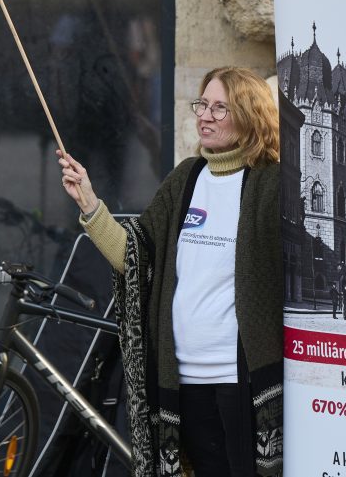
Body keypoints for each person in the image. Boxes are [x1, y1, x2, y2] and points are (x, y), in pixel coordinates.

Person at [58, 66, 282, 476]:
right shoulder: (185, 179)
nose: (205, 116)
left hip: (243, 383)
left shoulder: (271, 184)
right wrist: (89, 203)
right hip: (181, 383)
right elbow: (133, 257)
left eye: (219, 108)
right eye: (202, 105)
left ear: (250, 115)